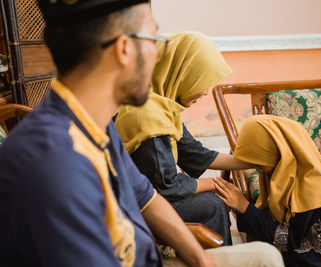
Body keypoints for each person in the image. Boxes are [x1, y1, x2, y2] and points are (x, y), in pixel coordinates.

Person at [0, 1, 285, 266]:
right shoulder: (53, 168)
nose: (159, 55)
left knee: (265, 256)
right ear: (124, 49)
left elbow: (147, 198)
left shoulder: (94, 123)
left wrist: (201, 260)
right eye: (153, 39)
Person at [115, 31, 252, 245]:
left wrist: (250, 162)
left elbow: (195, 154)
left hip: (149, 195)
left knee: (211, 199)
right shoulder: (148, 115)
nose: (206, 92)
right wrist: (216, 185)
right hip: (134, 206)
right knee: (211, 205)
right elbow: (167, 187)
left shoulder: (162, 104)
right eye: (202, 80)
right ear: (183, 72)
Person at [214, 115, 321, 267]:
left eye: (258, 163)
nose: (254, 168)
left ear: (277, 152)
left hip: (314, 261)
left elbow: (289, 240)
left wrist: (244, 207)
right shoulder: (282, 174)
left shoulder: (308, 188)